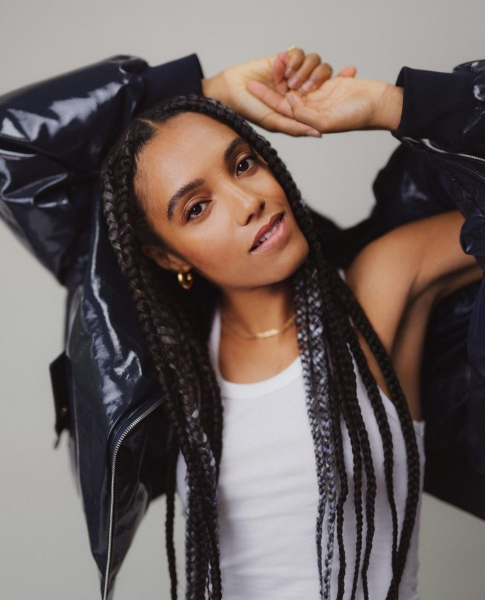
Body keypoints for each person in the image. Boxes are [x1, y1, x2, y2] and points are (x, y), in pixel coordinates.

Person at [1, 49, 484, 599]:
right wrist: (204, 88)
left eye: (243, 164)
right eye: (196, 208)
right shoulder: (168, 358)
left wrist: (388, 104)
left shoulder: (379, 289)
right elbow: (13, 144)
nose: (247, 202)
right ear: (168, 257)